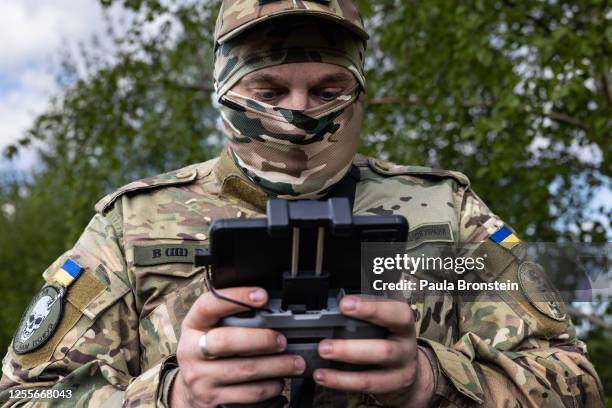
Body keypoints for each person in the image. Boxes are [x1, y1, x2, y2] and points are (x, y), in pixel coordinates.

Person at [0, 1, 604, 407]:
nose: (299, 113)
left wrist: (431, 379)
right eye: (267, 90)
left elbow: (576, 386)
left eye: (327, 89)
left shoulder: (446, 216)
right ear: (224, 92)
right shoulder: (131, 227)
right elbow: (26, 396)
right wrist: (173, 395)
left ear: (359, 90)